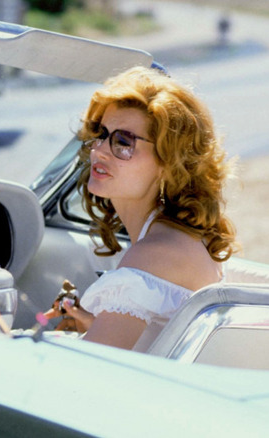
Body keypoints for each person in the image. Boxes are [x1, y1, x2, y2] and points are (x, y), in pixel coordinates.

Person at [45, 66, 237, 352]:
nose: (99, 150)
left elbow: (90, 371)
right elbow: (153, 338)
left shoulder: (153, 254)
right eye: (100, 133)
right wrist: (89, 322)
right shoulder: (180, 238)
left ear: (168, 161)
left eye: (123, 142)